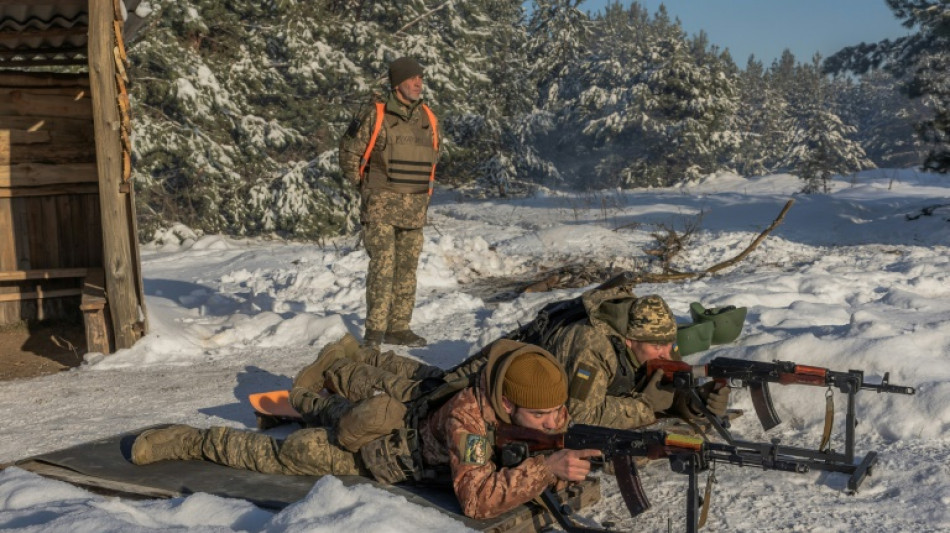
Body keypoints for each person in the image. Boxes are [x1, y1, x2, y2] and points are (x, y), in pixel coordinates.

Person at [131, 340, 601, 520]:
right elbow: (476, 501)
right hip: (375, 454)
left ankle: (307, 401)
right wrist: (546, 469)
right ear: (504, 403)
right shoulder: (470, 417)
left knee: (333, 411)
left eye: (558, 412)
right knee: (285, 454)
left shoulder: (537, 413)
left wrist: (564, 457)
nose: (554, 423)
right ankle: (186, 439)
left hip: (394, 421)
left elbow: (543, 443)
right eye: (542, 416)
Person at [296, 287, 731, 431]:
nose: (666, 354)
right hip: (507, 373)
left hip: (523, 368)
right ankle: (338, 368)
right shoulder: (592, 346)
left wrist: (686, 400)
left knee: (437, 377)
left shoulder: (631, 342)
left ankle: (362, 354)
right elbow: (578, 411)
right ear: (633, 338)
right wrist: (644, 410)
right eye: (658, 347)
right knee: (426, 395)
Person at [339, 57, 440, 348]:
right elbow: (348, 154)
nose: (418, 83)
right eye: (412, 78)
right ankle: (374, 332)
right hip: (381, 207)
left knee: (407, 270)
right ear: (397, 83)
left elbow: (434, 157)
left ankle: (399, 327)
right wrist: (368, 189)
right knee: (383, 268)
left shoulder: (429, 119)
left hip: (414, 208)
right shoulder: (376, 115)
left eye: (420, 78)